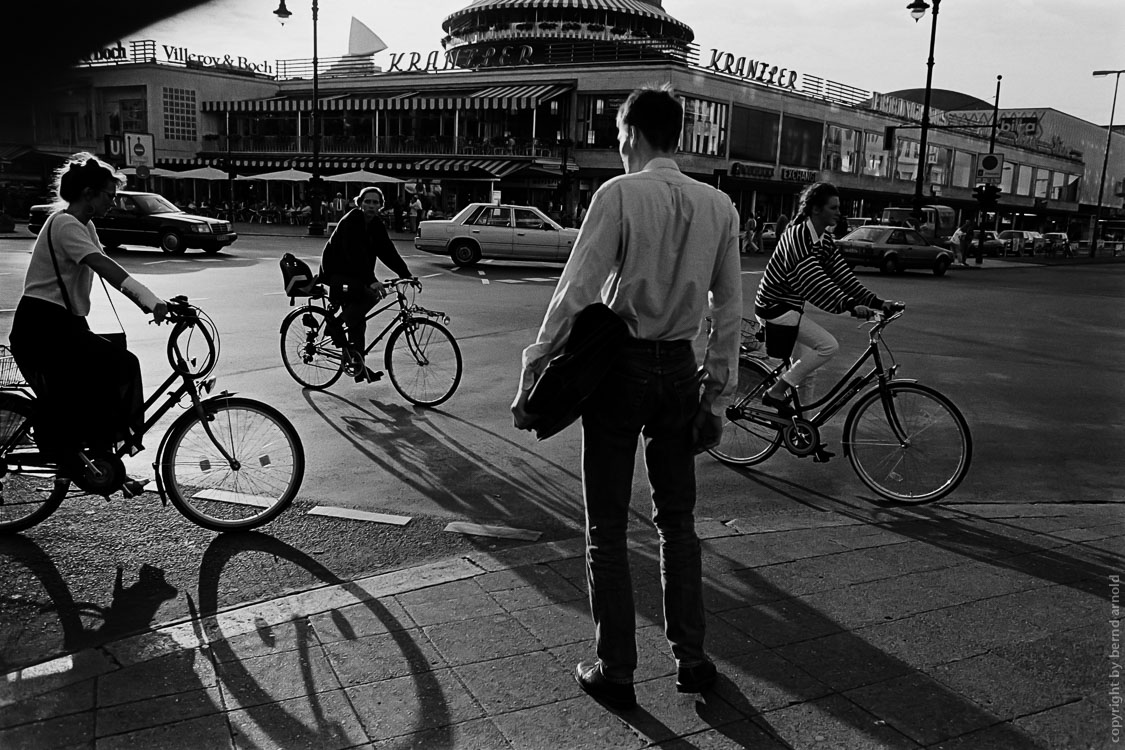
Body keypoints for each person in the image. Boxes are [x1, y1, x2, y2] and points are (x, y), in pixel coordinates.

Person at [511, 85, 742, 710]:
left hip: (620, 370)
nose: (618, 149)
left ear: (633, 134)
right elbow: (729, 311)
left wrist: (536, 366)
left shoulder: (619, 195)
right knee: (678, 523)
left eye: (618, 138)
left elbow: (578, 291)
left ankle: (616, 669)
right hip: (679, 370)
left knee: (607, 526)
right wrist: (715, 397)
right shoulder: (720, 207)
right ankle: (692, 661)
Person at [8, 153, 167, 488]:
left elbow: (104, 262)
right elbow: (105, 268)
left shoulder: (83, 224)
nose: (113, 202)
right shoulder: (65, 224)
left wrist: (151, 302)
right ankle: (85, 458)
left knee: (100, 376)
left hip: (61, 324)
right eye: (109, 195)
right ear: (88, 194)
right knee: (120, 364)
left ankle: (95, 457)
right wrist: (150, 301)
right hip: (43, 326)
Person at [755, 182, 900, 448]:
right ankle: (776, 391)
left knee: (806, 373)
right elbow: (812, 278)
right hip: (775, 307)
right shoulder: (798, 235)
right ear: (815, 209)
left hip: (790, 308)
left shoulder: (823, 239)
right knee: (827, 346)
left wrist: (878, 302)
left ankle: (801, 434)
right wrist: (847, 305)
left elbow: (842, 275)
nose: (838, 212)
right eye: (833, 207)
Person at [319, 186, 415, 382]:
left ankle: (357, 364)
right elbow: (352, 254)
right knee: (371, 295)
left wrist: (406, 274)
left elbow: (387, 251)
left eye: (376, 202)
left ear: (381, 205)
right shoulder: (352, 220)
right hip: (336, 272)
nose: (372, 206)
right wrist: (371, 281)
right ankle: (335, 324)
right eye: (368, 201)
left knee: (358, 321)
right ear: (360, 203)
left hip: (355, 274)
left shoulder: (376, 224)